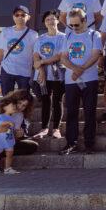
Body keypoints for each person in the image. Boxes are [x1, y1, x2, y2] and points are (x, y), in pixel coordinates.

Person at [59, 8, 102, 155]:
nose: (74, 28)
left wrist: (80, 69)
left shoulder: (94, 35)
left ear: (85, 21)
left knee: (90, 112)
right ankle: (71, 143)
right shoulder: (68, 35)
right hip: (71, 81)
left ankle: (89, 144)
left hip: (89, 80)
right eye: (71, 25)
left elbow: (96, 55)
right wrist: (75, 69)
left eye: (77, 25)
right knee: (71, 112)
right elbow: (63, 57)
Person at [31, 10, 65, 140]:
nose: (50, 22)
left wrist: (43, 62)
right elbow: (35, 57)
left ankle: (56, 128)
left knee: (58, 100)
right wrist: (41, 71)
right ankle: (44, 128)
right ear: (44, 23)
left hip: (59, 74)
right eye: (47, 20)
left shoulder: (63, 37)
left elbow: (59, 56)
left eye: (52, 19)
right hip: (43, 75)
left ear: (57, 20)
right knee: (46, 101)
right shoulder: (40, 39)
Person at [0, 5, 38, 95]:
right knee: (7, 99)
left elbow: (36, 55)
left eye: (23, 15)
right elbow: (1, 52)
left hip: (25, 72)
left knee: (23, 99)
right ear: (13, 17)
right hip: (7, 70)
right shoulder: (6, 31)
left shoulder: (33, 35)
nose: (20, 17)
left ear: (28, 17)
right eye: (17, 15)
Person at [0, 98, 20, 174]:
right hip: (0, 140)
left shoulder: (11, 118)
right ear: (4, 107)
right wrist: (7, 123)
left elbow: (12, 129)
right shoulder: (0, 116)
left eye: (15, 105)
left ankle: (7, 168)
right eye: (12, 105)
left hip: (9, 139)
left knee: (10, 154)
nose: (15, 107)